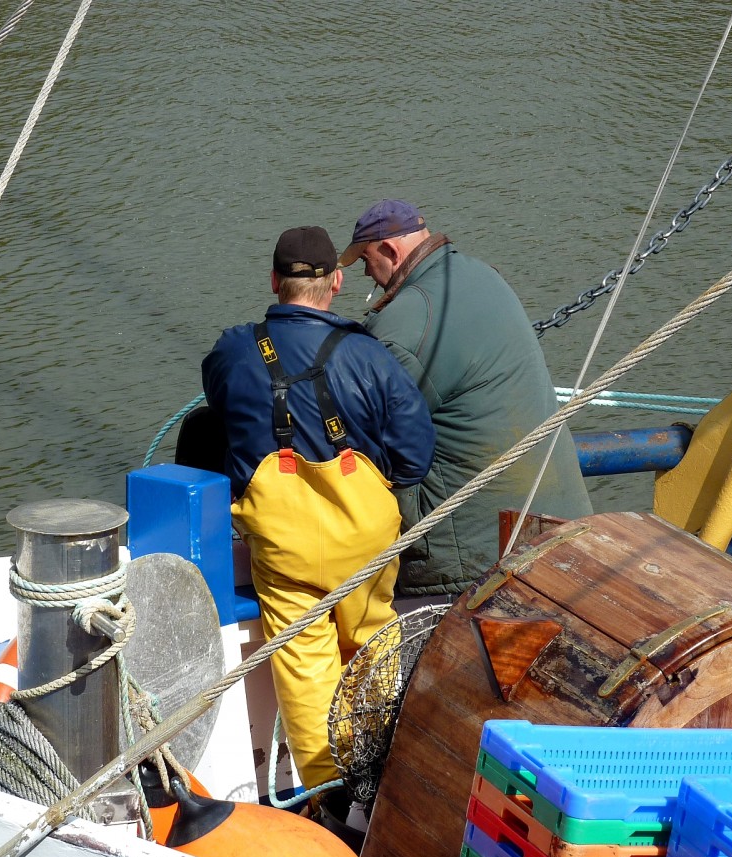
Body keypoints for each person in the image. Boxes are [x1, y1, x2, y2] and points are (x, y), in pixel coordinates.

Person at [201, 225, 435, 791]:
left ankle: (329, 798)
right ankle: (380, 774)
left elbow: (218, 405)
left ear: (275, 282)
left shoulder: (235, 348)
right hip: (365, 543)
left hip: (286, 547)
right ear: (335, 282)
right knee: (374, 648)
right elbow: (414, 457)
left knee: (305, 674)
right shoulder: (367, 352)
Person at [336, 199, 593, 597]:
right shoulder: (481, 274)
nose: (366, 273)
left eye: (366, 261)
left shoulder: (403, 323)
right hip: (560, 524)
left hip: (472, 557)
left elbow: (359, 434)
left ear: (389, 251)